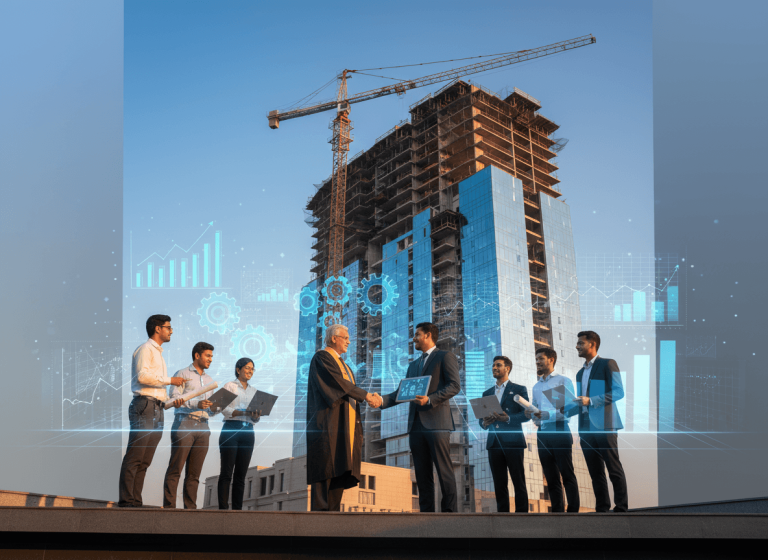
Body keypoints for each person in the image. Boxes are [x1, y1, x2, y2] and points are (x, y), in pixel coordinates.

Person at [380, 322, 460, 512]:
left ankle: (450, 515)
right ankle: (426, 515)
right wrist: (380, 401)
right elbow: (402, 392)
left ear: (428, 335)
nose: (413, 338)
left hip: (437, 424)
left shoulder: (444, 357)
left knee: (444, 471)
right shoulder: (413, 365)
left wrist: (430, 399)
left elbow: (454, 386)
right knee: (422, 474)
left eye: (417, 334)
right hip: (416, 425)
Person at [306, 324, 380, 511]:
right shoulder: (322, 357)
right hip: (327, 424)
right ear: (333, 338)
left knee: (340, 469)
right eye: (345, 338)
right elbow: (338, 384)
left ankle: (332, 519)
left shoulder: (344, 365)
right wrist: (366, 396)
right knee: (325, 469)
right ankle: (318, 522)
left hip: (345, 427)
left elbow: (346, 387)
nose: (349, 341)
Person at [118, 314, 184, 508]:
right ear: (157, 329)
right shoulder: (145, 349)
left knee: (145, 461)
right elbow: (143, 377)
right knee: (135, 456)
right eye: (168, 327)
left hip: (157, 408)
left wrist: (172, 401)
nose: (171, 331)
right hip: (144, 406)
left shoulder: (159, 354)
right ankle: (126, 501)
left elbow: (157, 388)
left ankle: (135, 501)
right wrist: (170, 380)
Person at [567, 330, 628, 512]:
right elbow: (581, 402)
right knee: (595, 472)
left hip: (605, 424)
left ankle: (622, 508)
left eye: (580, 343)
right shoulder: (579, 374)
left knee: (613, 467)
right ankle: (602, 508)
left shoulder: (607, 364)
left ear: (592, 344)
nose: (577, 346)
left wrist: (592, 400)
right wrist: (557, 412)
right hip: (585, 427)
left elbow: (618, 392)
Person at [162, 342, 217, 509]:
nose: (211, 359)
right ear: (197, 355)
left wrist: (216, 407)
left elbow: (211, 410)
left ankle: (190, 510)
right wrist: (196, 404)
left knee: (194, 474)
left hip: (204, 426)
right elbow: (174, 399)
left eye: (212, 357)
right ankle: (170, 507)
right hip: (184, 423)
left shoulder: (209, 380)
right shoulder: (182, 373)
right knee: (176, 468)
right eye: (208, 356)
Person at [529, 347, 580, 513]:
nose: (537, 362)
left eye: (540, 359)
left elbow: (571, 408)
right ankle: (557, 511)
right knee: (550, 476)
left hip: (560, 429)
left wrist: (548, 414)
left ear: (551, 360)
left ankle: (573, 511)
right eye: (536, 359)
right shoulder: (536, 386)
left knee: (566, 473)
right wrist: (533, 416)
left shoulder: (562, 381)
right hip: (542, 433)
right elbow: (535, 411)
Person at [478, 356, 530, 513]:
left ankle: (522, 515)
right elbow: (482, 421)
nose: (494, 367)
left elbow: (526, 414)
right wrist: (485, 423)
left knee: (518, 480)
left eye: (498, 365)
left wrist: (507, 418)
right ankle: (503, 515)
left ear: (507, 368)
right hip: (494, 442)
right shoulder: (486, 393)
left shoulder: (519, 389)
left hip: (513, 441)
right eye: (493, 365)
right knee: (499, 482)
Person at [217, 357, 261, 510]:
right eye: (247, 368)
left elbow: (255, 419)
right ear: (238, 370)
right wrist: (238, 412)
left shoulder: (254, 391)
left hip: (248, 431)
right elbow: (220, 407)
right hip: (231, 429)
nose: (250, 371)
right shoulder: (230, 386)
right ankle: (223, 509)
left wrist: (255, 416)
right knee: (226, 472)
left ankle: (237, 510)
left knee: (241, 475)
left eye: (252, 369)